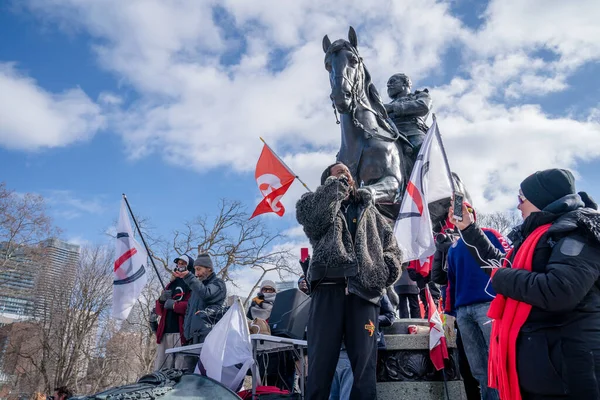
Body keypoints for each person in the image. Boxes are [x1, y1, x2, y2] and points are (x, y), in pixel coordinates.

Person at [453, 168, 600, 400]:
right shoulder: (538, 235)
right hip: (543, 367)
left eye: (521, 198)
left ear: (541, 197)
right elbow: (501, 264)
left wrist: (500, 278)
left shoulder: (577, 231)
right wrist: (469, 230)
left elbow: (559, 290)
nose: (518, 206)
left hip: (570, 369)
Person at [296, 161, 403, 400]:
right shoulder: (311, 202)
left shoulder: (371, 211)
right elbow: (313, 222)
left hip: (365, 292)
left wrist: (383, 270)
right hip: (327, 289)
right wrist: (334, 188)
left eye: (347, 173)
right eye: (338, 173)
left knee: (364, 371)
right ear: (327, 181)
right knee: (320, 366)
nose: (345, 175)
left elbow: (392, 247)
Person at [439, 204, 508, 400]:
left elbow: (509, 261)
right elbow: (451, 282)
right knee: (478, 368)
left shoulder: (491, 234)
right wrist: (449, 312)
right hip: (463, 312)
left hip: (490, 306)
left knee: (500, 363)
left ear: (472, 215)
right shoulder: (453, 248)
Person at [174, 253, 226, 369]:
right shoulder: (196, 288)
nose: (196, 273)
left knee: (205, 377)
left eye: (199, 269)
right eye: (195, 270)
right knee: (188, 377)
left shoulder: (218, 284)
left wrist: (188, 276)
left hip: (207, 340)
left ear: (209, 269)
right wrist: (186, 332)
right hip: (191, 340)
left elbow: (206, 294)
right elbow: (188, 311)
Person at [153, 254, 194, 371]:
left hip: (181, 334)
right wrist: (161, 300)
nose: (179, 266)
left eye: (183, 264)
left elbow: (192, 307)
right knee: (161, 369)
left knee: (179, 369)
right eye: (178, 263)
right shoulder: (170, 284)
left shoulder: (192, 284)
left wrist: (175, 305)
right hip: (165, 333)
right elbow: (160, 311)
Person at [384, 73, 432, 153]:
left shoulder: (420, 95)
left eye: (393, 81)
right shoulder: (386, 106)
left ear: (405, 82)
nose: (389, 85)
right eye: (388, 84)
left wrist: (392, 108)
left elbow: (423, 106)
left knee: (424, 151)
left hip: (413, 132)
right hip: (391, 134)